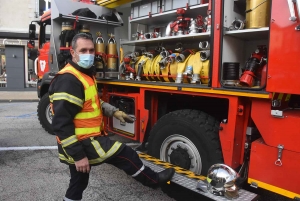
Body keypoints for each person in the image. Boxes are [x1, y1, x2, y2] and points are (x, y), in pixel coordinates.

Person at [48, 33, 175, 201]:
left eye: (91, 50)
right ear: (73, 53)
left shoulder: (84, 74)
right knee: (125, 153)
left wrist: (114, 111)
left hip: (83, 140)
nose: (89, 54)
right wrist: (78, 156)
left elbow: (93, 103)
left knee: (79, 181)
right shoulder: (69, 80)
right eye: (83, 50)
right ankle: (154, 180)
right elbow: (61, 123)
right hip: (82, 142)